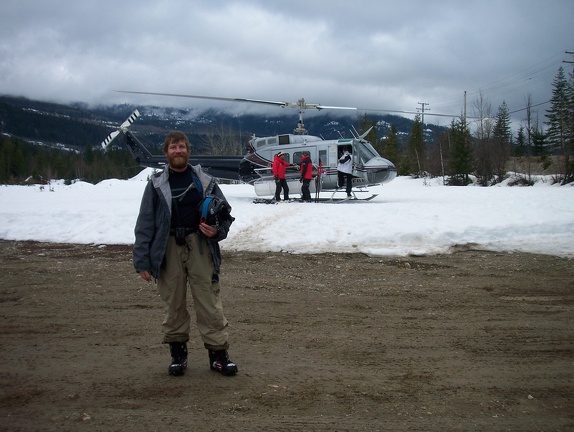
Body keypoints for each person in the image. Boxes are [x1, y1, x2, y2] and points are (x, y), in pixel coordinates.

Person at [133, 131, 238, 377]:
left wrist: (216, 231)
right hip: (168, 248)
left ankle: (219, 356)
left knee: (209, 303)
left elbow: (226, 215)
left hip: (201, 246)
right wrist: (142, 261)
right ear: (166, 152)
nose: (178, 151)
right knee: (174, 304)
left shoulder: (205, 181)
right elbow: (145, 223)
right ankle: (178, 355)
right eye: (173, 147)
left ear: (188, 151)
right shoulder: (156, 184)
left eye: (181, 146)